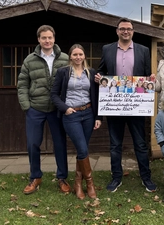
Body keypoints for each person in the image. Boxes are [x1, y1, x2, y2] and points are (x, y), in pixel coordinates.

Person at [95, 17, 157, 193]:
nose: (125, 31)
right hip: (115, 105)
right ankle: (116, 177)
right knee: (115, 144)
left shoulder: (143, 50)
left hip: (135, 104)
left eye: (128, 29)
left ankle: (146, 177)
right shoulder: (107, 49)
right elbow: (101, 70)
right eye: (122, 29)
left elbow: (146, 75)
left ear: (133, 31)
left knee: (140, 143)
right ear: (117, 31)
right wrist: (99, 77)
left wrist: (150, 79)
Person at [17, 25, 70, 195]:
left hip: (57, 109)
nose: (47, 41)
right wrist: (26, 106)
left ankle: (62, 177)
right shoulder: (29, 60)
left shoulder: (64, 59)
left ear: (54, 39)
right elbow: (22, 85)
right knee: (33, 143)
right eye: (43, 38)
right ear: (38, 40)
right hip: (36, 108)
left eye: (50, 37)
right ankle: (35, 177)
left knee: (60, 144)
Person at [51, 44, 102, 200]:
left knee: (83, 150)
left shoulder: (91, 73)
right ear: (70, 57)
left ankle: (78, 183)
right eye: (75, 54)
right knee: (81, 147)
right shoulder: (63, 72)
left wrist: (98, 117)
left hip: (88, 113)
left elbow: (99, 94)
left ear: (84, 56)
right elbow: (54, 94)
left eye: (80, 54)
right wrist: (65, 108)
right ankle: (89, 183)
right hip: (71, 114)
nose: (78, 57)